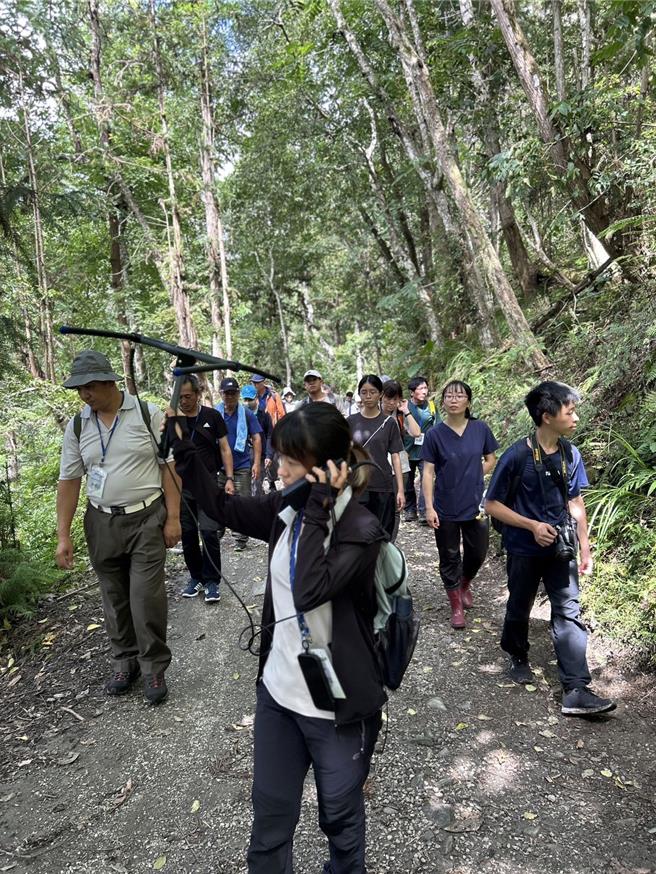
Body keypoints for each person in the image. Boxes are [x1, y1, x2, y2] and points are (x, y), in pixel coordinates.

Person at [166, 403, 386, 873]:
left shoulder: (361, 530)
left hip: (338, 707)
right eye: (279, 455)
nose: (277, 466)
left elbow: (309, 590)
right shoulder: (288, 507)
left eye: (289, 459)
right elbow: (224, 507)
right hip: (279, 697)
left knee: (341, 826)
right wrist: (184, 449)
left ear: (327, 468)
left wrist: (321, 505)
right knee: (268, 826)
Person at [55, 350, 180, 704]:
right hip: (101, 521)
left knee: (145, 597)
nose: (84, 394)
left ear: (109, 382)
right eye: (79, 389)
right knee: (114, 597)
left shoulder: (146, 413)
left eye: (89, 386)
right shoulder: (79, 424)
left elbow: (168, 468)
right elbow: (69, 480)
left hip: (146, 518)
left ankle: (153, 665)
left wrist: (172, 518)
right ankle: (125, 661)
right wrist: (63, 535)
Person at [485, 381, 616, 716]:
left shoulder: (571, 453)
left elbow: (576, 501)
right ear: (546, 416)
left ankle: (575, 688)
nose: (575, 418)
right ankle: (516, 653)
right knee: (519, 604)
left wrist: (585, 548)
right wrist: (531, 526)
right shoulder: (517, 455)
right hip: (523, 548)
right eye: (569, 412)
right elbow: (492, 505)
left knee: (569, 611)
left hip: (561, 548)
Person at [421, 381, 498, 629]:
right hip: (445, 505)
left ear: (468, 401)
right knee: (449, 554)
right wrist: (429, 507)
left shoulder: (480, 428)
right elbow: (427, 472)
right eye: (449, 396)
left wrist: (476, 475)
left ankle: (465, 582)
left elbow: (491, 459)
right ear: (442, 402)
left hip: (475, 504)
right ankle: (455, 604)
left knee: (478, 551)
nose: (454, 399)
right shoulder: (434, 435)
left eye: (459, 395)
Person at [177, 375, 234, 603]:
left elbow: (225, 449)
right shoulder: (173, 420)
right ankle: (196, 577)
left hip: (209, 484)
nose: (184, 401)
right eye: (180, 397)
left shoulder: (212, 416)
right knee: (188, 534)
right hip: (182, 486)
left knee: (209, 532)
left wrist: (229, 478)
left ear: (198, 394)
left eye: (188, 396)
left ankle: (212, 581)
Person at [347, 374, 405, 539]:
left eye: (372, 392)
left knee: (382, 536)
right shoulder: (351, 421)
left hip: (383, 486)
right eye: (364, 392)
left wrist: (400, 489)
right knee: (358, 536)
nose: (368, 396)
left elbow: (395, 457)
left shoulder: (389, 423)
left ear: (380, 394)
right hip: (357, 486)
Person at [215, 377, 263, 551]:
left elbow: (257, 438)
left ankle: (240, 538)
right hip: (219, 466)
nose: (229, 396)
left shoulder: (246, 413)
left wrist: (256, 463)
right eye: (226, 393)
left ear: (237, 394)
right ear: (221, 394)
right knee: (218, 500)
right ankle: (216, 533)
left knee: (241, 501)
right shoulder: (215, 413)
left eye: (233, 393)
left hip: (242, 464)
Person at [381, 380, 421, 541]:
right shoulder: (372, 412)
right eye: (387, 398)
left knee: (396, 508)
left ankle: (390, 543)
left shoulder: (399, 415)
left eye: (395, 399)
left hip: (400, 466)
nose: (391, 403)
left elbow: (416, 433)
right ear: (381, 396)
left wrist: (406, 411)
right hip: (378, 465)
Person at [403, 376, 438, 523]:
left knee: (426, 479)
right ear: (412, 392)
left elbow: (438, 426)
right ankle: (410, 510)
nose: (425, 391)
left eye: (426, 388)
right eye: (421, 388)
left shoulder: (430, 406)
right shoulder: (404, 406)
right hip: (407, 450)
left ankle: (424, 512)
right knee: (407, 482)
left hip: (426, 450)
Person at [242, 384, 275, 495]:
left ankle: (258, 507)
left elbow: (270, 435)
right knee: (246, 485)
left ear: (256, 398)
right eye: (245, 399)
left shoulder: (264, 415)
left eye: (249, 399)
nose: (247, 402)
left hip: (259, 454)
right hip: (244, 455)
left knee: (257, 483)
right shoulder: (240, 414)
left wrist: (269, 455)